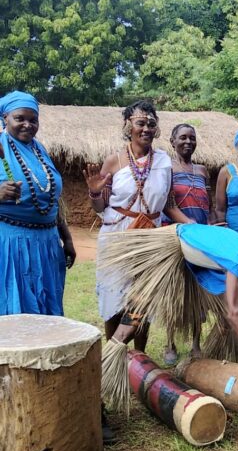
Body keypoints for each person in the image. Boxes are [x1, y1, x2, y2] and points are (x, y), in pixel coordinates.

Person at [97, 224, 238, 408]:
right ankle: (106, 365)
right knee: (137, 313)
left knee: (227, 310)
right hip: (172, 246)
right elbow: (235, 313)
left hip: (192, 258)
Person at [83, 100, 192, 354]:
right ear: (128, 126)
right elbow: (99, 208)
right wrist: (93, 193)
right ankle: (114, 356)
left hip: (148, 238)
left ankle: (140, 358)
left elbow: (168, 204)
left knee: (143, 299)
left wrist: (191, 224)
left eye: (151, 124)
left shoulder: (164, 161)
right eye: (140, 123)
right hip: (116, 237)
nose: (146, 128)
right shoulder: (113, 162)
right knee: (113, 300)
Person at [0, 90, 75, 316]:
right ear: (5, 118)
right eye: (19, 118)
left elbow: (52, 199)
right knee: (15, 311)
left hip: (47, 245)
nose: (27, 125)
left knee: (45, 309)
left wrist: (67, 238)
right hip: (11, 245)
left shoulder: (39, 150)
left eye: (33, 120)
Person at [162, 123, 213, 364]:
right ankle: (170, 343)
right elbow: (165, 204)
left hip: (202, 239)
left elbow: (209, 206)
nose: (188, 142)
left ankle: (195, 343)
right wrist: (188, 224)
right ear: (172, 142)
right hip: (175, 237)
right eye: (182, 138)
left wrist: (211, 230)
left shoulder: (203, 171)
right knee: (174, 291)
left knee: (198, 291)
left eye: (192, 138)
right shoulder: (165, 168)